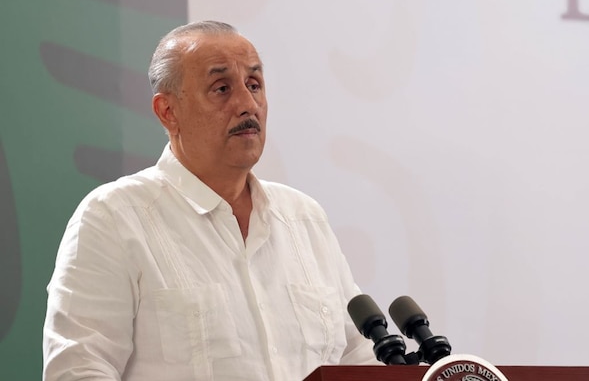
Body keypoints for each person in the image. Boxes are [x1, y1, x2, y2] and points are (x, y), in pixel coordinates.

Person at [43, 21, 378, 381]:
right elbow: (77, 371)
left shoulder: (304, 218)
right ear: (168, 112)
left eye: (254, 85)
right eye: (221, 89)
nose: (248, 105)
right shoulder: (112, 218)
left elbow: (359, 360)